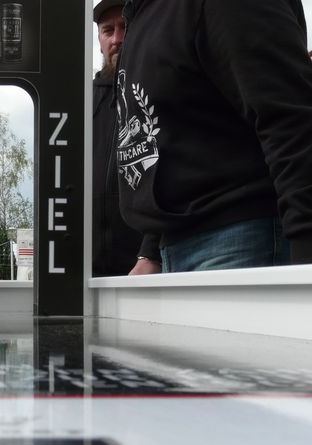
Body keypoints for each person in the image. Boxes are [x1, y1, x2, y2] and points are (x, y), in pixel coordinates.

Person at [117, 0, 312, 274]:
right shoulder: (143, 13)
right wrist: (151, 250)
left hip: (242, 238)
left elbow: (290, 119)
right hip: (175, 248)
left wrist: (305, 261)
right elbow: (172, 137)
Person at [92, 0, 151, 276]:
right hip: (88, 272)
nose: (116, 39)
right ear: (99, 40)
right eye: (108, 30)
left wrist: (150, 252)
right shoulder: (80, 102)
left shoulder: (158, 93)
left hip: (145, 268)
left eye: (124, 27)